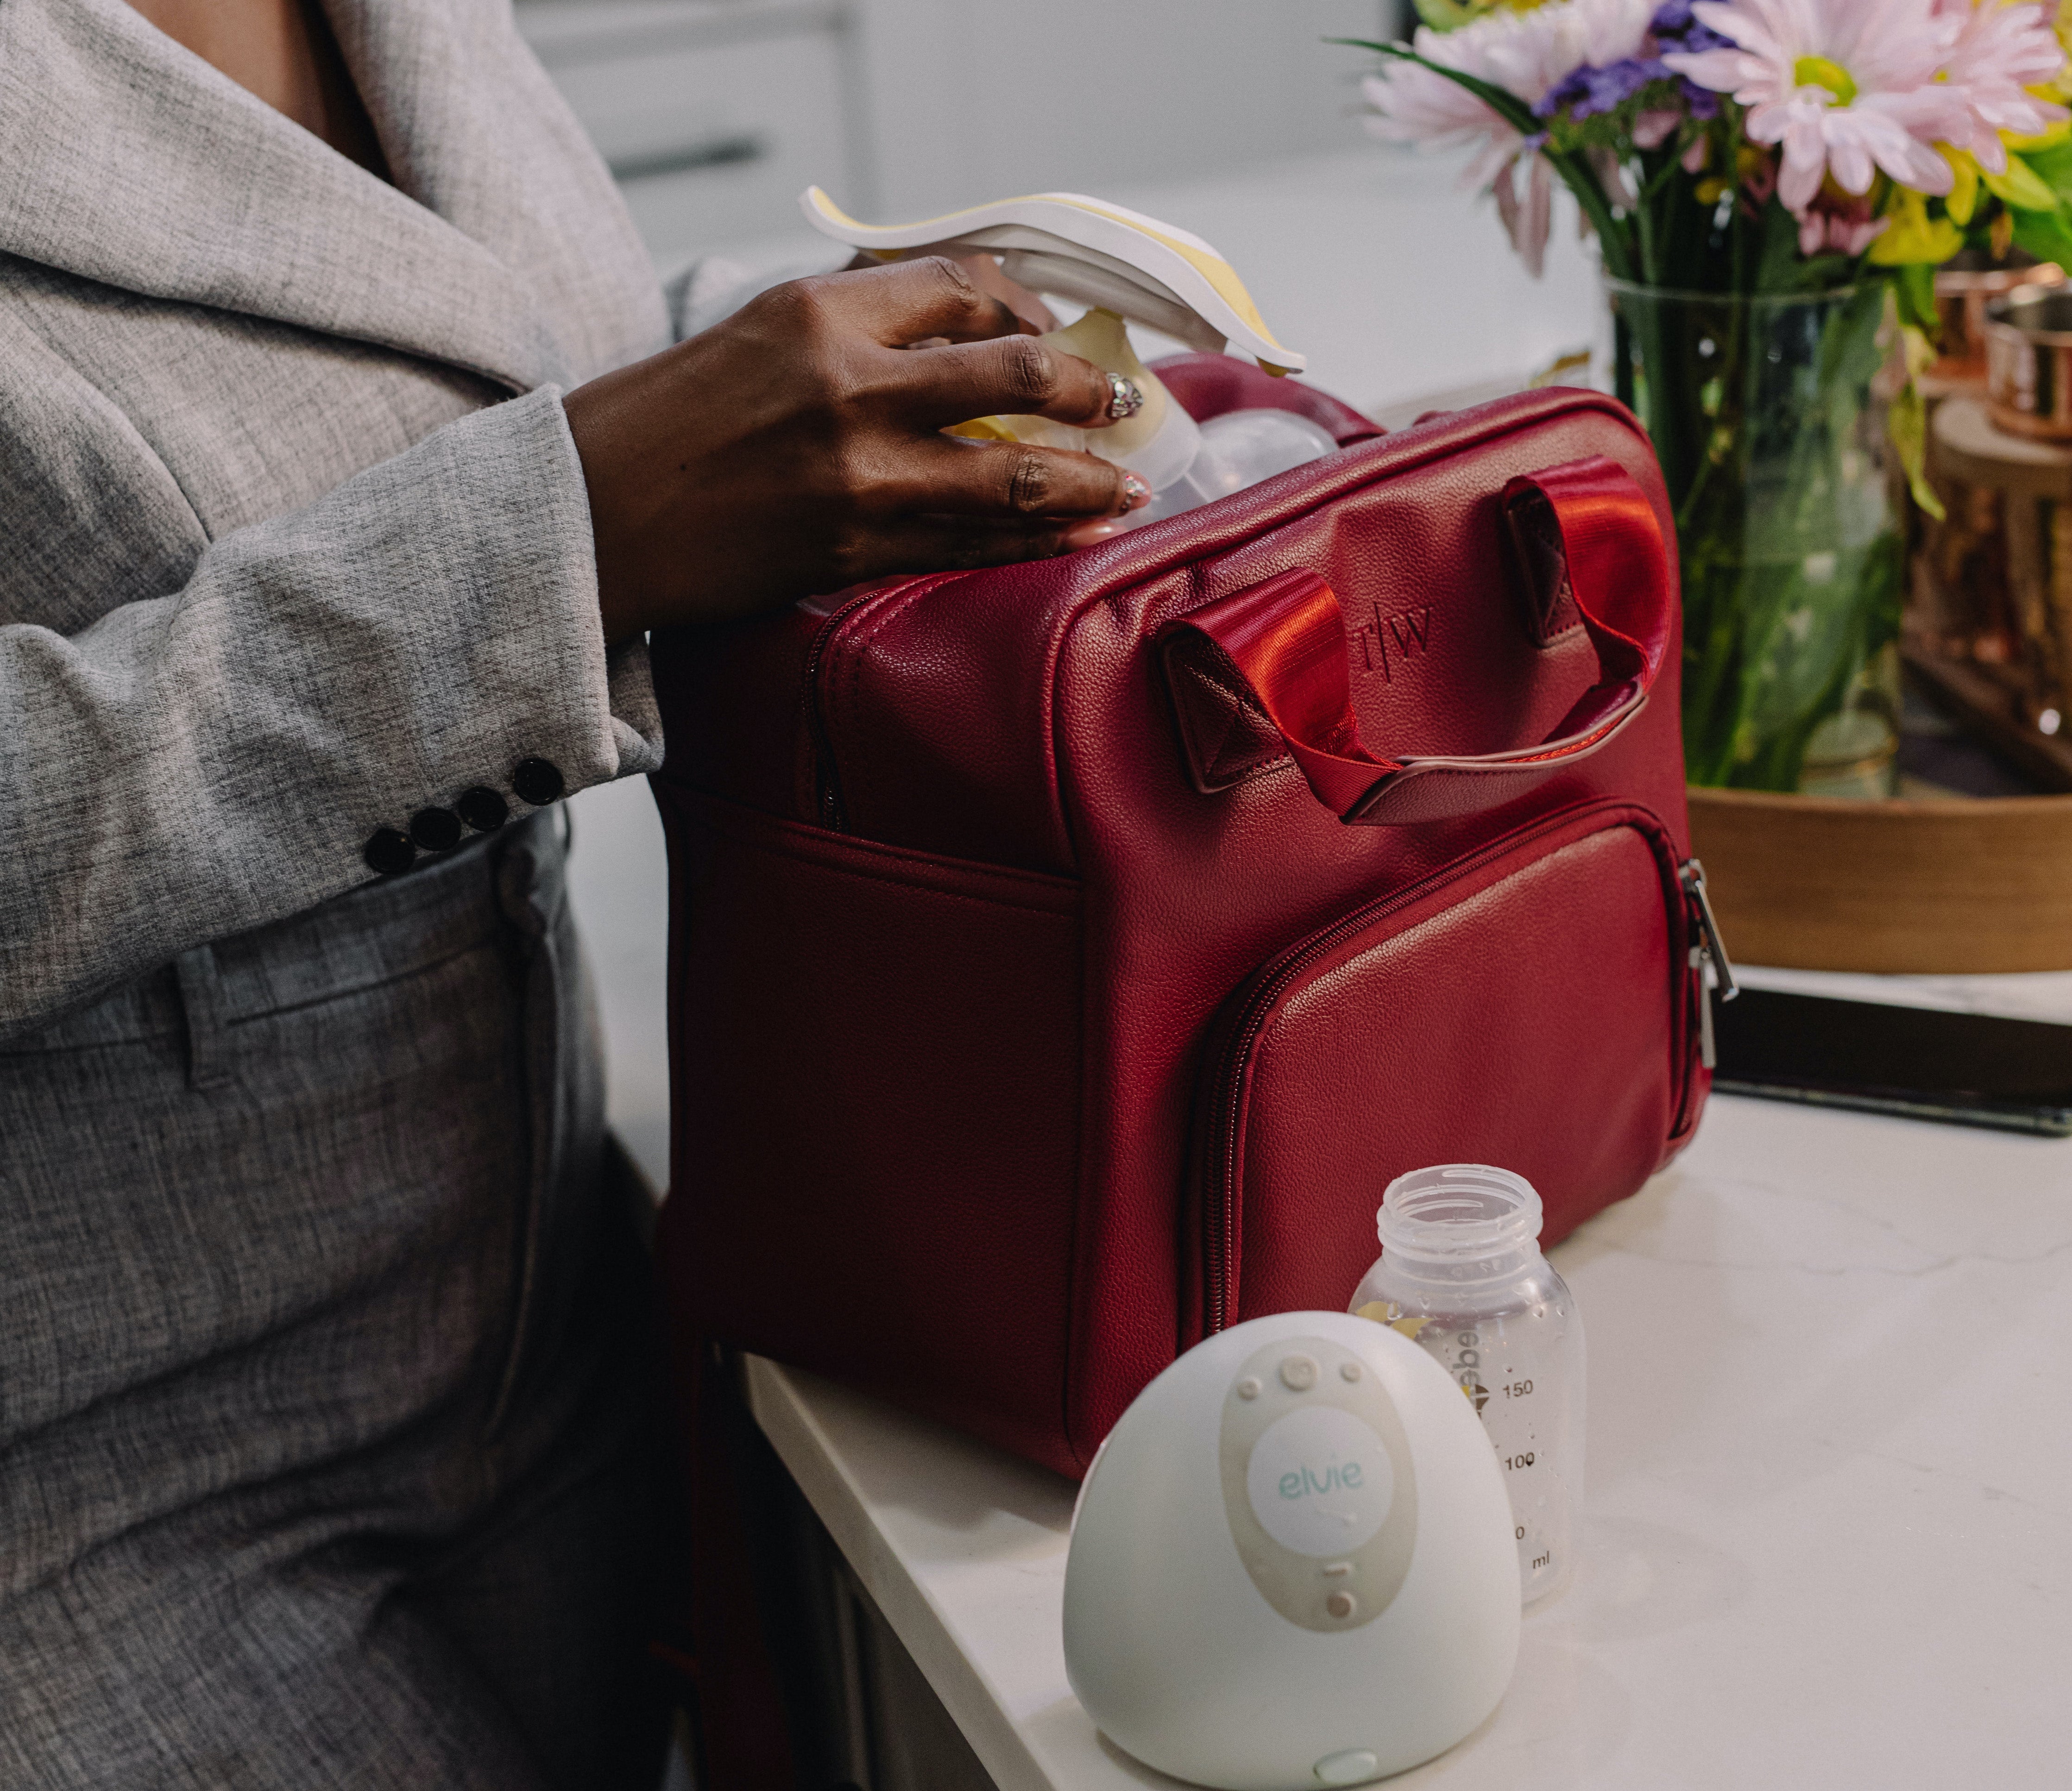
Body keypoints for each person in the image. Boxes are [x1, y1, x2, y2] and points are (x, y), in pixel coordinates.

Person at [0, 0, 1145, 1785]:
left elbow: (452, 339)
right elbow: (534, 490)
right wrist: (562, 543)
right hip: (98, 1502)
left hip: (568, 1345)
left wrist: (847, 373)